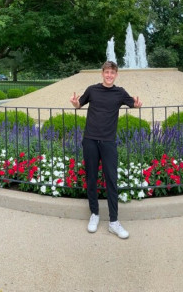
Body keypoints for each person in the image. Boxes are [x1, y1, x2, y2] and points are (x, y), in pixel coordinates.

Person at [70, 61, 142, 238]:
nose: (109, 75)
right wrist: (75, 103)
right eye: (107, 72)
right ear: (102, 73)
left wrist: (137, 105)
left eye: (112, 73)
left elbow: (133, 103)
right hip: (90, 140)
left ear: (115, 75)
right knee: (92, 178)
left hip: (109, 142)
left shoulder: (120, 92)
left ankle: (114, 222)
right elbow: (79, 104)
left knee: (111, 180)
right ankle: (94, 214)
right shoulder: (92, 90)